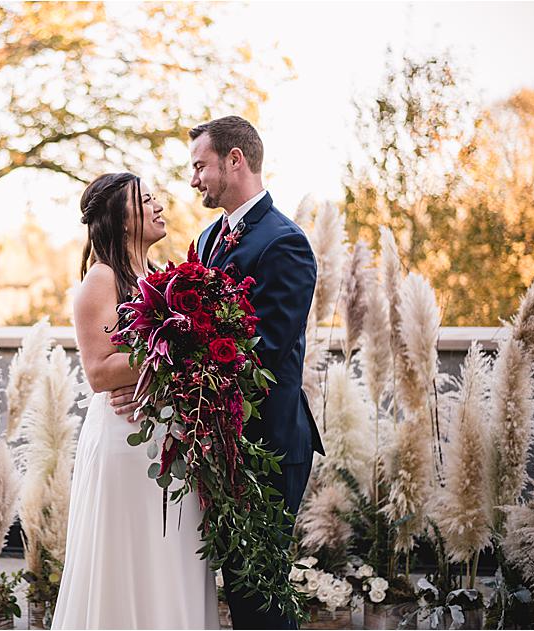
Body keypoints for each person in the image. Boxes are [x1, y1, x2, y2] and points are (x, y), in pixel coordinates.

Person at [111, 116, 325, 629]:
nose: (192, 179)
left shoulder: (285, 243)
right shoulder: (208, 239)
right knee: (239, 586)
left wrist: (163, 376)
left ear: (235, 160)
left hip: (267, 445)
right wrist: (153, 377)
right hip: (217, 442)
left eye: (200, 165)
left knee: (260, 591)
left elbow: (265, 354)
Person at [50, 172, 220, 630]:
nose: (159, 204)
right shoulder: (101, 280)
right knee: (132, 562)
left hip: (169, 439)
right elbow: (100, 372)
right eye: (146, 200)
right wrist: (179, 347)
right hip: (126, 445)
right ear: (122, 219)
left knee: (173, 560)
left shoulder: (158, 277)